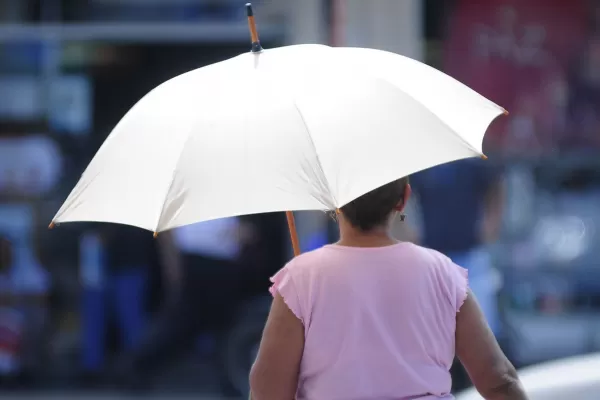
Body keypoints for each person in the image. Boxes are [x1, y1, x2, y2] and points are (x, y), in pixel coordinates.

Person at [249, 177, 527, 399]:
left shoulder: (301, 278)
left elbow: (267, 390)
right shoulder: (442, 272)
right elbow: (499, 380)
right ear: (404, 199)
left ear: (335, 203)